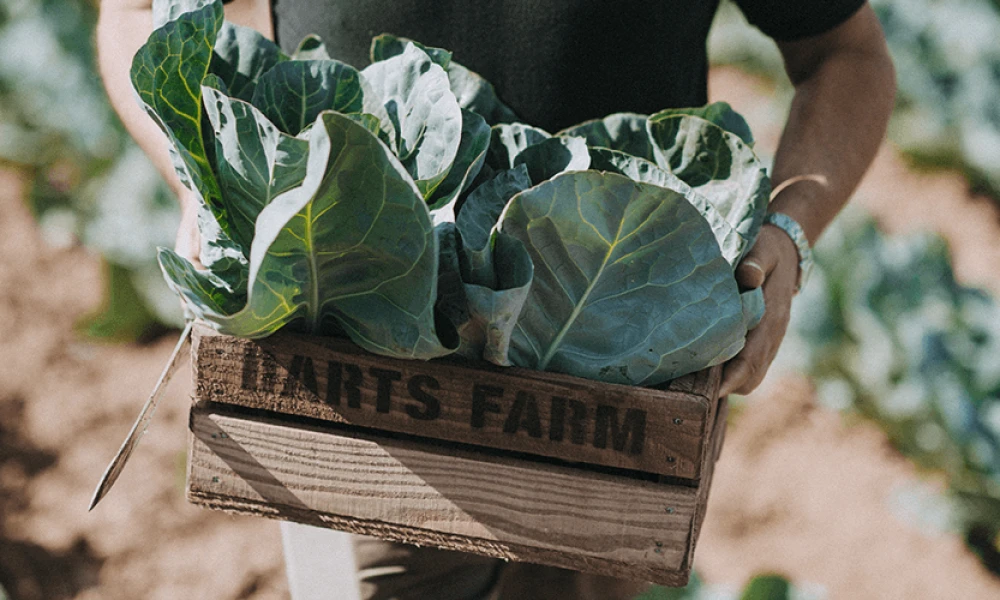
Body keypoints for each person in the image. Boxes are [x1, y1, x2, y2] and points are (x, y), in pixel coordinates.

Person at [96, 1, 895, 598]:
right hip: (348, 365)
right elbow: (136, 12)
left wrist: (787, 233)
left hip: (610, 380)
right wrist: (202, 185)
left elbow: (847, 53)